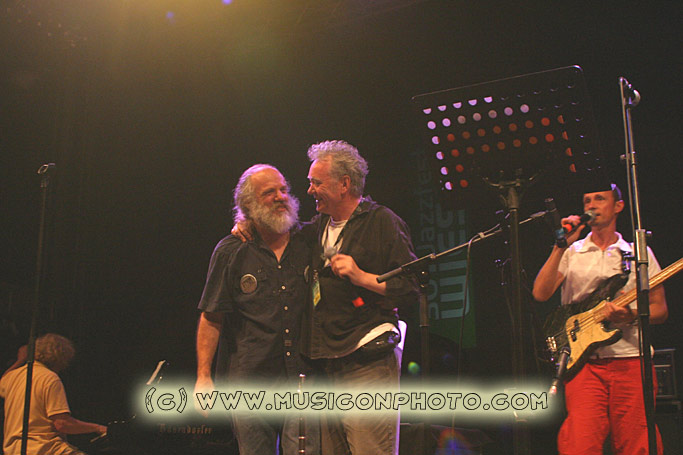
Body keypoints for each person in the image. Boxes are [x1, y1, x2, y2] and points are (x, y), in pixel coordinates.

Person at [532, 184, 668, 455]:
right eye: (587, 201)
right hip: (585, 363)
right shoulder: (573, 252)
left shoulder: (637, 253)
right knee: (580, 442)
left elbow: (660, 310)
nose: (591, 205)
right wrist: (560, 246)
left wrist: (630, 316)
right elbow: (540, 293)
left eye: (599, 199)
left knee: (637, 443)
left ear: (618, 206)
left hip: (631, 360)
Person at [302, 140, 419, 455]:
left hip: (367, 360)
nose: (310, 190)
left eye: (317, 183)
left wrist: (361, 276)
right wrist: (245, 223)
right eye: (310, 182)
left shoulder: (382, 222)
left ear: (344, 184)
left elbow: (411, 288)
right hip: (328, 362)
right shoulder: (316, 227)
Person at [194, 164, 319, 455]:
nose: (280, 196)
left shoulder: (310, 239)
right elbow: (212, 316)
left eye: (283, 189)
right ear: (248, 205)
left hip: (304, 379)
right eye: (269, 192)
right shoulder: (230, 251)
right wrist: (203, 376)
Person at [0, 333, 107, 455]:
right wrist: (97, 428)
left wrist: (20, 360)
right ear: (61, 358)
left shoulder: (13, 376)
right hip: (43, 448)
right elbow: (62, 424)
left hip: (14, 450)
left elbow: (2, 381)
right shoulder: (49, 378)